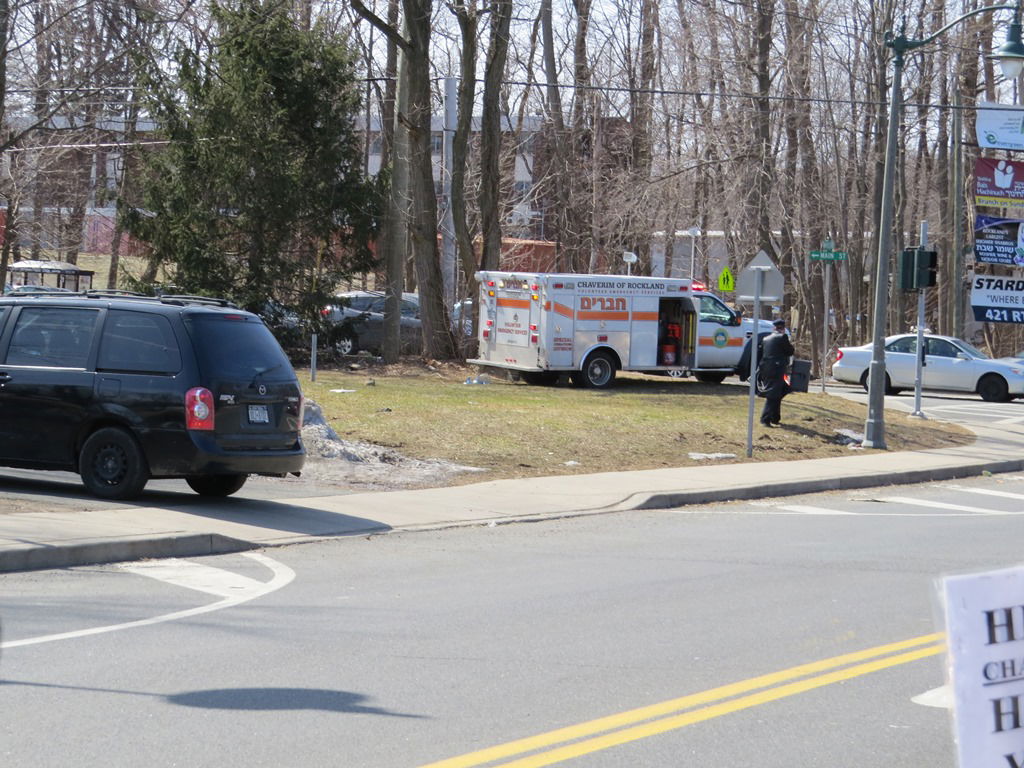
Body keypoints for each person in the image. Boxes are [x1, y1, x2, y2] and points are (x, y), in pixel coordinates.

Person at [758, 318, 794, 427]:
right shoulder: (782, 337)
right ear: (783, 328)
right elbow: (790, 351)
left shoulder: (765, 338)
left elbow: (761, 352)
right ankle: (765, 419)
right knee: (773, 394)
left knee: (783, 389)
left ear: (774, 328)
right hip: (777, 369)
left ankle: (775, 417)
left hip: (766, 369)